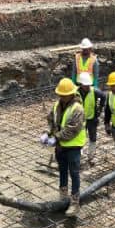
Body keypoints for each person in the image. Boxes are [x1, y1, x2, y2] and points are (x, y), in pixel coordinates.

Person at [43, 78, 86, 217]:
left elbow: (72, 129)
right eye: (60, 94)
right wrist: (48, 133)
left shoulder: (77, 108)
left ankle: (74, 203)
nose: (61, 96)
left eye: (63, 94)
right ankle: (63, 197)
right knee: (62, 170)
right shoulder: (57, 105)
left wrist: (56, 138)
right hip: (60, 146)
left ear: (71, 94)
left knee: (74, 173)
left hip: (73, 146)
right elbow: (51, 120)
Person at [77, 72, 106, 167]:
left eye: (89, 84)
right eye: (85, 85)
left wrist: (100, 109)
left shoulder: (95, 91)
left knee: (93, 137)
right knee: (80, 137)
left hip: (92, 118)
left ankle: (91, 156)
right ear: (81, 84)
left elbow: (103, 96)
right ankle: (79, 156)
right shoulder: (75, 93)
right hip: (80, 119)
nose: (87, 86)